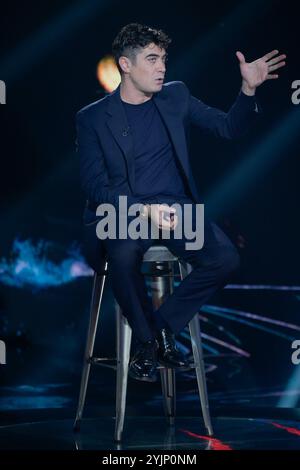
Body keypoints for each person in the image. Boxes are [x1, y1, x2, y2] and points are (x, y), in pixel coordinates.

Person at [76, 23, 286, 382]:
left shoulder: (176, 96)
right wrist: (142, 210)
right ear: (125, 65)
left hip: (176, 211)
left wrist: (248, 89)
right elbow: (94, 186)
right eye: (152, 59)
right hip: (123, 211)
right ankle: (149, 338)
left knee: (224, 258)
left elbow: (228, 128)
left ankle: (156, 335)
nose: (162, 68)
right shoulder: (93, 117)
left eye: (164, 60)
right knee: (122, 254)